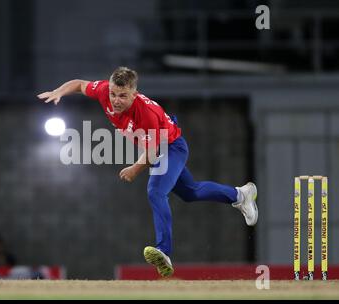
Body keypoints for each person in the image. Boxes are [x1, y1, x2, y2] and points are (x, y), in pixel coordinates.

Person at [37, 66, 258, 277]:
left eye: (123, 96)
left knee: (155, 191)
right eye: (114, 94)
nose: (116, 100)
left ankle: (164, 251)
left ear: (134, 94)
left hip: (171, 147)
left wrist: (135, 168)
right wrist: (59, 92)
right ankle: (240, 195)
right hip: (157, 147)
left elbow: (152, 153)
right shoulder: (105, 90)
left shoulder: (147, 112)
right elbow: (79, 84)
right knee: (190, 193)